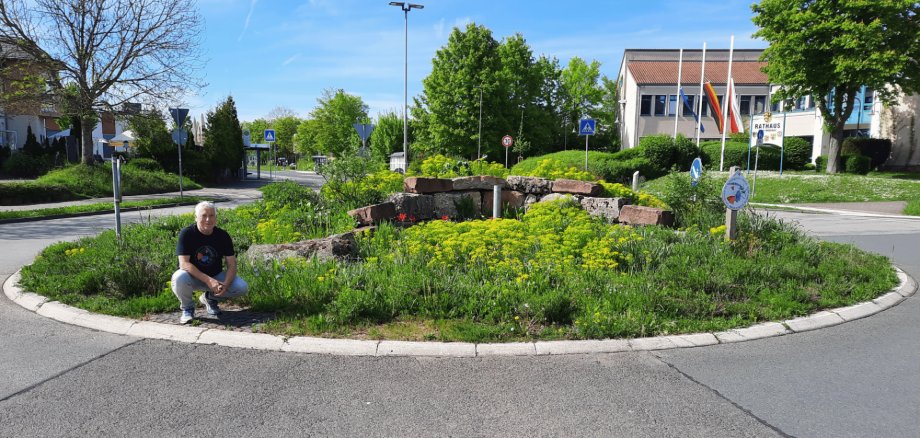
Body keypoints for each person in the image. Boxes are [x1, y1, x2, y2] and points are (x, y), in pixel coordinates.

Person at [171, 201, 248, 323]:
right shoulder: (187, 234)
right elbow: (184, 264)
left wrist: (225, 284)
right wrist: (208, 280)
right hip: (192, 277)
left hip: (216, 275)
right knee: (179, 277)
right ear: (196, 217)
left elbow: (232, 264)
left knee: (241, 287)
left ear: (216, 218)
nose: (208, 219)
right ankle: (188, 308)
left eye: (211, 215)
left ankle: (210, 298)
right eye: (204, 215)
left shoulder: (223, 235)